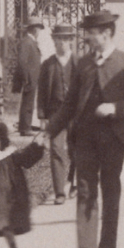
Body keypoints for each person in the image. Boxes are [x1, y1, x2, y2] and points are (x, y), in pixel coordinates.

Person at [45, 10, 124, 248]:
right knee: (86, 190)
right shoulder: (83, 64)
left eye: (91, 33)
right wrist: (49, 130)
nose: (87, 38)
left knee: (110, 190)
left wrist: (115, 108)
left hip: (113, 138)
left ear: (107, 33)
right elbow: (69, 104)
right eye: (87, 32)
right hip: (85, 137)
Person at [37, 24, 80, 205]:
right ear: (54, 40)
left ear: (71, 41)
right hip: (55, 113)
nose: (62, 43)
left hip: (76, 113)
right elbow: (41, 92)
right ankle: (59, 191)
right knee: (56, 149)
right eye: (58, 39)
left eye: (65, 39)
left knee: (76, 149)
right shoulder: (48, 64)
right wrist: (42, 117)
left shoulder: (79, 63)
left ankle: (74, 181)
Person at [13, 18, 45, 135]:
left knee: (29, 102)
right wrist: (26, 78)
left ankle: (25, 126)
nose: (39, 32)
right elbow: (22, 62)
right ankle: (25, 128)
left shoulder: (30, 42)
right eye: (39, 30)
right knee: (28, 103)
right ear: (34, 29)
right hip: (29, 79)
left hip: (32, 78)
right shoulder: (27, 42)